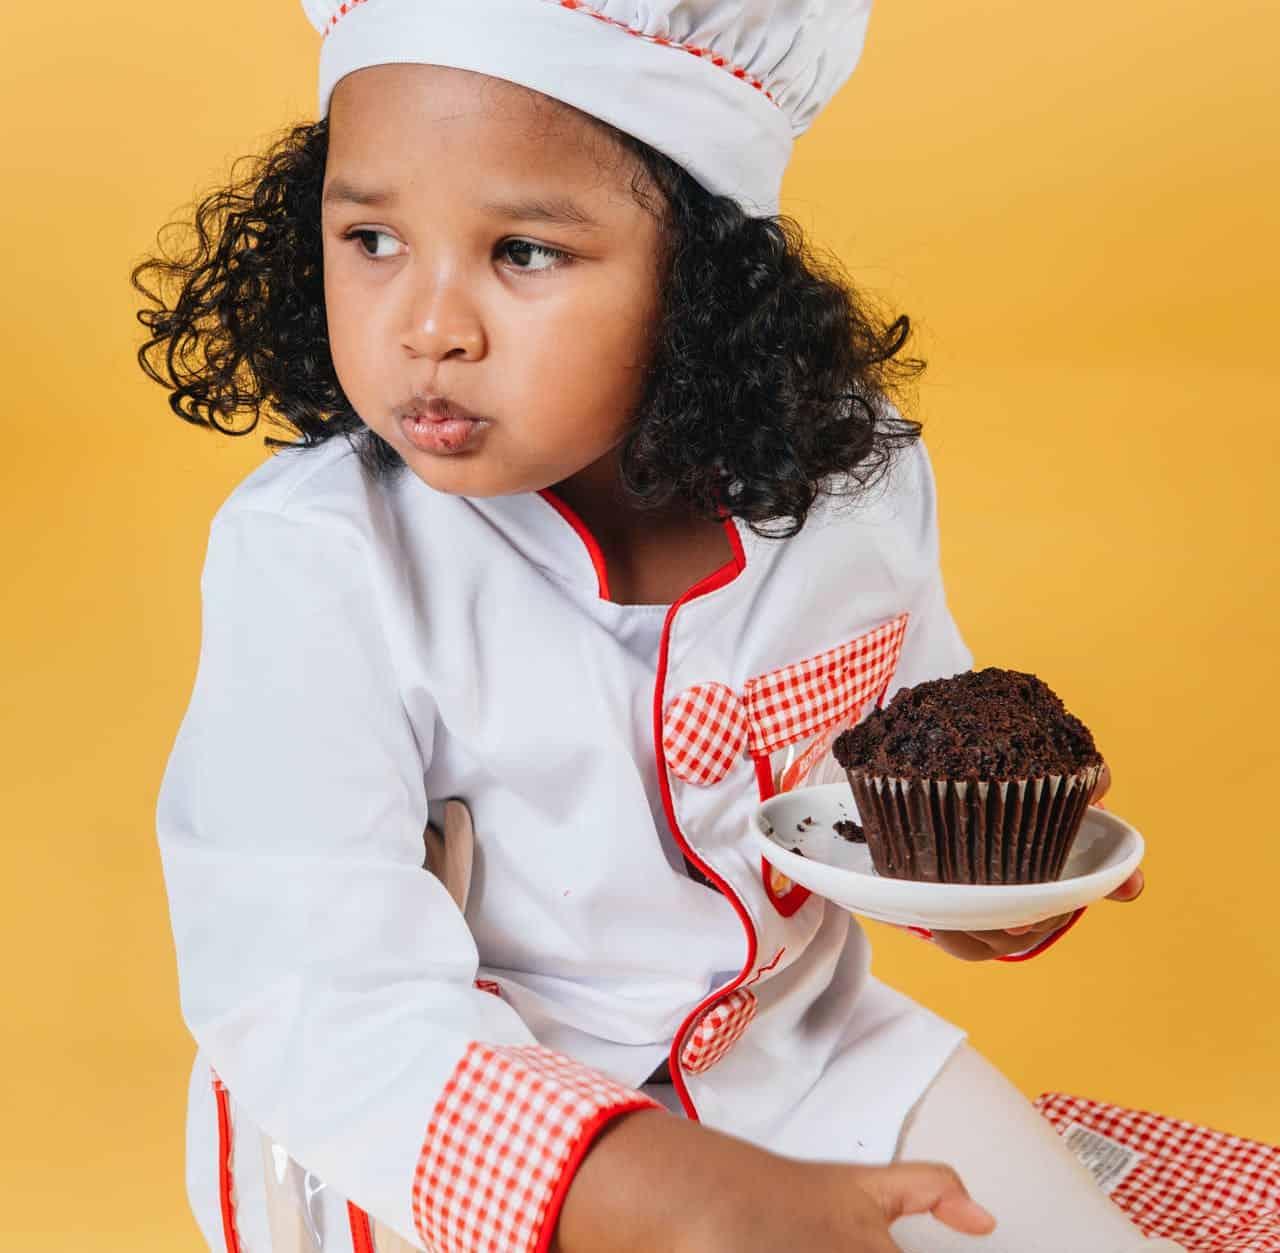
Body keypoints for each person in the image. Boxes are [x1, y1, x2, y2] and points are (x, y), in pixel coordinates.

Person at [138, 2, 1166, 1250]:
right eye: (370, 238)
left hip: (801, 1065)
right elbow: (310, 983)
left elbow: (895, 786)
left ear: (703, 279)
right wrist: (668, 1190)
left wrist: (988, 888)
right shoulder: (317, 555)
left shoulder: (851, 486)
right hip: (435, 1121)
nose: (427, 325)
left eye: (521, 252)